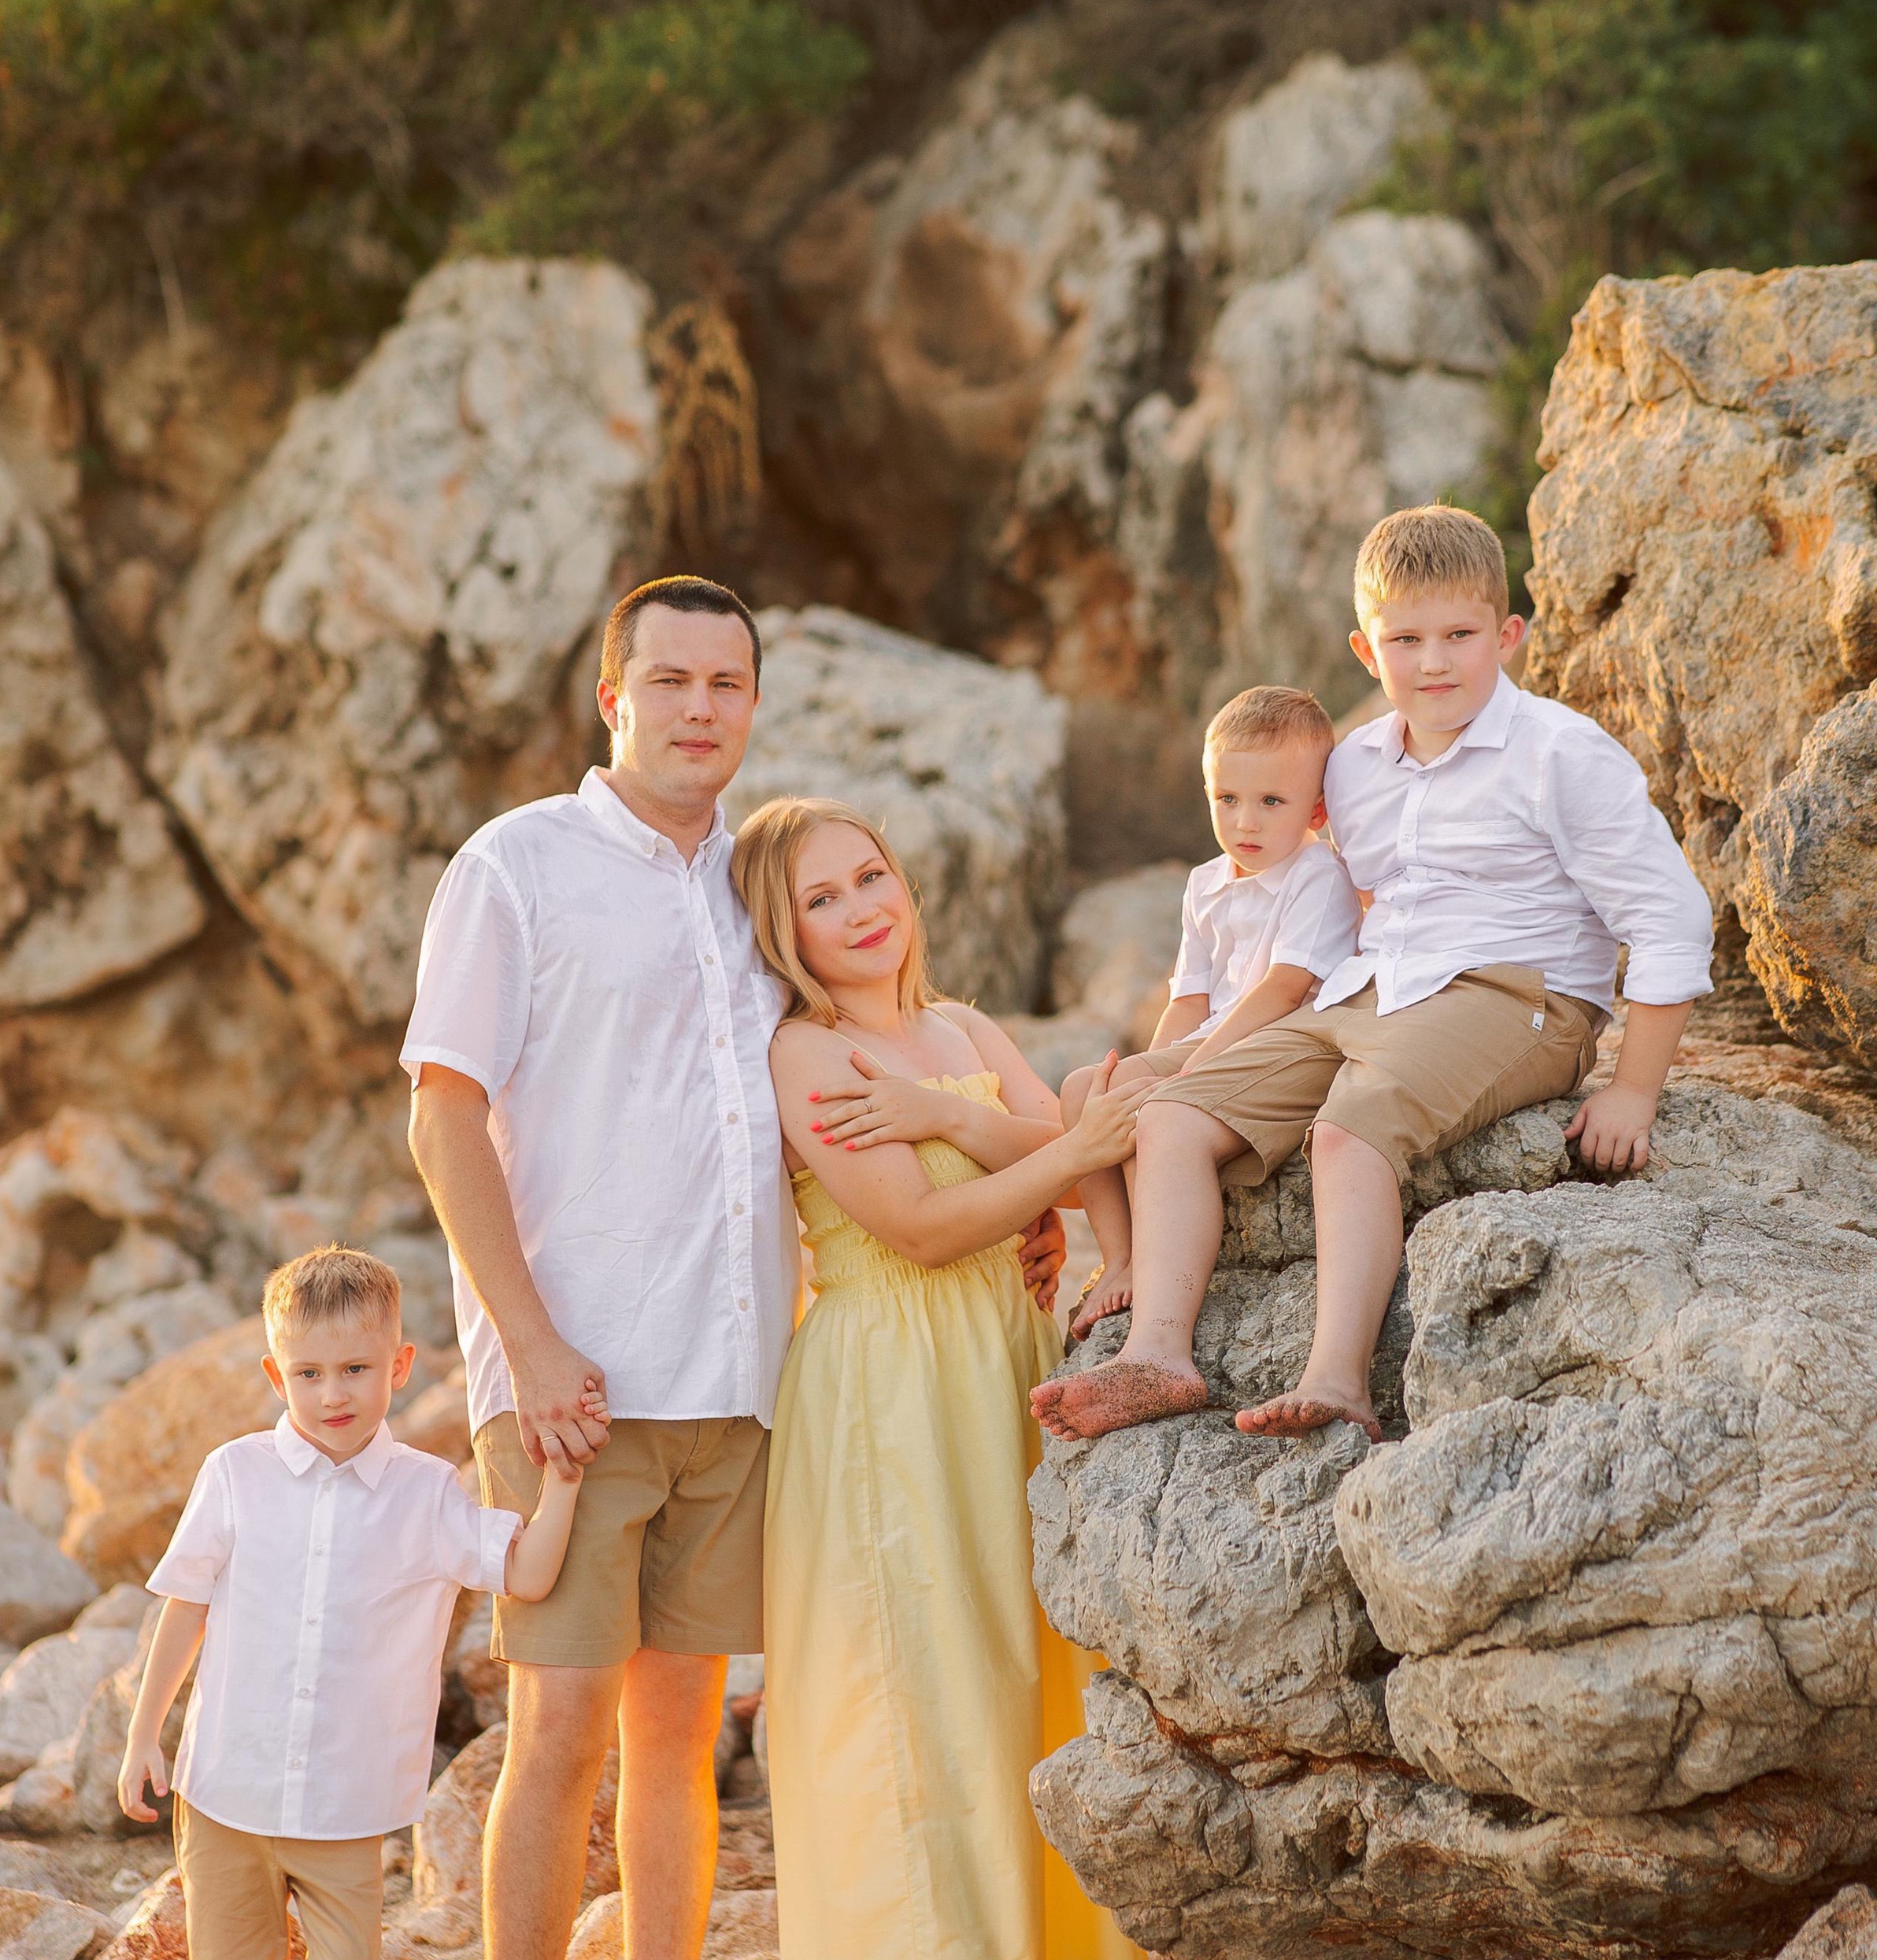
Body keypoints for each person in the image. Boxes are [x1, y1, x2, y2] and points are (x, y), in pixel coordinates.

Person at [399, 575, 1067, 1960]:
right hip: (573, 1377)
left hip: (740, 1374)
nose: (700, 708)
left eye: (726, 684)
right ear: (613, 696)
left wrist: (1009, 1181)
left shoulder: (761, 892)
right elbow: (442, 1116)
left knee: (682, 1730)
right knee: (562, 1721)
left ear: (753, 704)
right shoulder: (516, 867)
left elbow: (861, 1078)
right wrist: (528, 1346)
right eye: (672, 681)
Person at [1031, 503, 1715, 1443]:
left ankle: (1337, 1379)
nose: (1433, 662)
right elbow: (1278, 860)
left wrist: (1634, 1090)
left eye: (1459, 636)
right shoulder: (1351, 765)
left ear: (1507, 636)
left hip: (1515, 993)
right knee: (1169, 1114)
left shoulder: (1559, 754)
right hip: (1366, 989)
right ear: (1366, 650)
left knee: (1351, 1129)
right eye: (1405, 639)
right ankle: (1158, 1351)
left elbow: (1670, 915)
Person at [733, 796, 1151, 1960]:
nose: (862, 910)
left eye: (871, 878)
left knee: (1033, 1663)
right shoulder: (804, 1051)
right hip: (891, 1382)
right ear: (786, 933)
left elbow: (1066, 1185)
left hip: (1010, 1350)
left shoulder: (960, 1030)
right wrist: (1058, 1152)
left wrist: (937, 1115)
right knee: (926, 1684)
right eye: (822, 900)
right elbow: (918, 1226)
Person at [117, 1246, 584, 1960]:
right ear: (278, 1376)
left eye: (355, 1370)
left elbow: (528, 1574)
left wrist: (566, 1481)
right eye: (309, 1374)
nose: (333, 1395)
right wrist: (144, 1733)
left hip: (346, 1807)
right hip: (225, 1793)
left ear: (399, 1366)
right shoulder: (236, 1474)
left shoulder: (425, 1494)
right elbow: (186, 1606)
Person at [1060, 685, 1360, 1344]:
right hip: (1210, 1039)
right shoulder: (1206, 882)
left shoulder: (1318, 874)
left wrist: (1185, 1072)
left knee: (1146, 1107)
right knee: (1088, 1089)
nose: (1245, 823)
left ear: (1316, 808)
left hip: (1277, 1043)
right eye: (1227, 799)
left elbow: (1285, 988)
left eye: (1270, 802)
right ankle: (1121, 1258)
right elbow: (1188, 998)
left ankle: (1151, 1261)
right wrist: (1147, 1066)